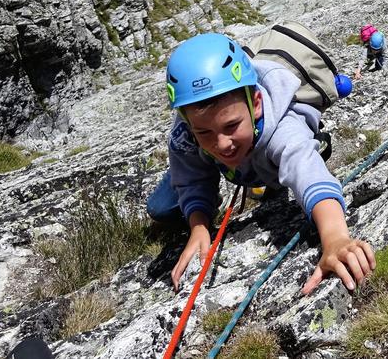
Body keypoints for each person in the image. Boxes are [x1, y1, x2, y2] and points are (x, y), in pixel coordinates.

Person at [147, 33, 375, 294]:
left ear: (256, 105)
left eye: (231, 126)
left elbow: (308, 172)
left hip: (265, 151)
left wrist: (335, 238)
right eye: (204, 132)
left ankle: (266, 177)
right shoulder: (187, 131)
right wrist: (199, 225)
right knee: (160, 208)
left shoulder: (284, 130)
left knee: (273, 173)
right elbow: (192, 180)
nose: (222, 144)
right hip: (231, 156)